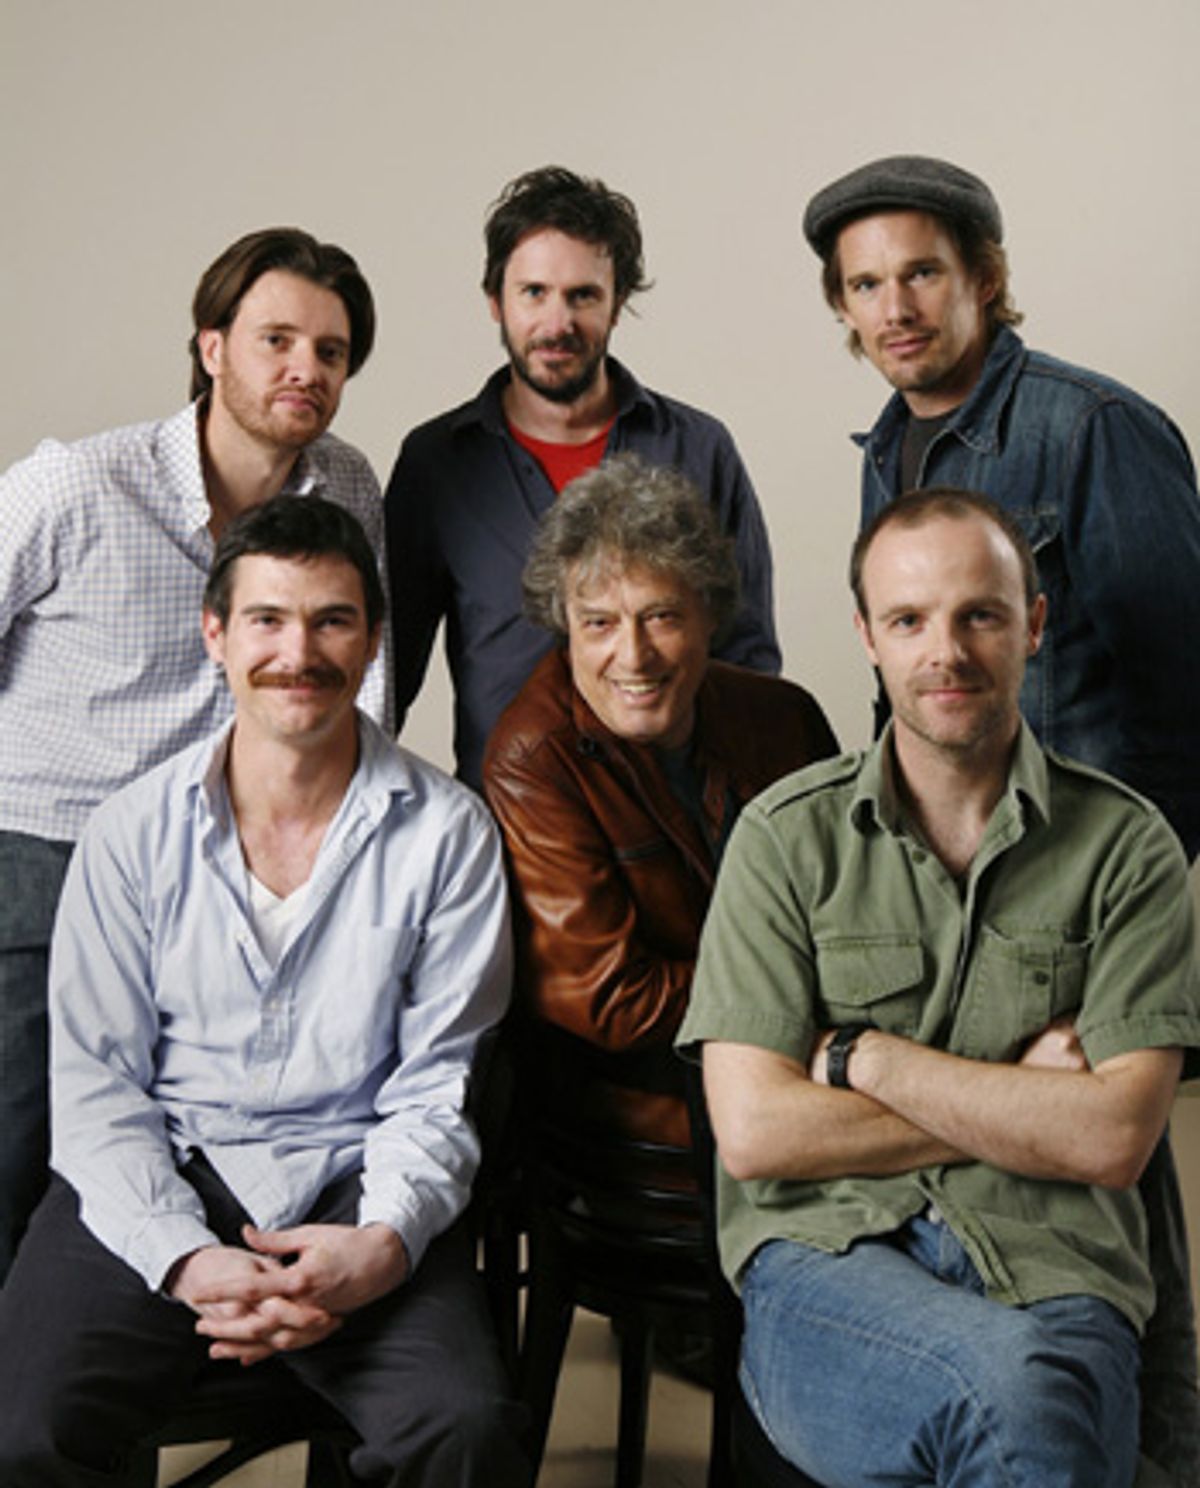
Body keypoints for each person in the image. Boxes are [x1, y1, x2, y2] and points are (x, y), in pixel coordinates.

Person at [802, 154, 1200, 1479]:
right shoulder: (893, 450)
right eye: (865, 284)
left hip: (1080, 896)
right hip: (944, 885)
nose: (896, 304)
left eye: (920, 269)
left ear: (983, 276)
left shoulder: (1090, 430)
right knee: (982, 1184)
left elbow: (1184, 699)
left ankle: (1148, 1456)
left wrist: (1143, 934)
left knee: (1109, 1190)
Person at [0, 496, 529, 1487]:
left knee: (464, 1428)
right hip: (165, 1168)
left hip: (356, 1179)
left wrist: (382, 1245)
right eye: (268, 620)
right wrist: (185, 1259)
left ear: (373, 639)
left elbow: (439, 1084)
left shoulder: (449, 835)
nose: (301, 650)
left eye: (333, 620)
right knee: (17, 1431)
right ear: (216, 634)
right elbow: (98, 1091)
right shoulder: (128, 834)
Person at [679, 489, 1200, 1488]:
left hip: (1061, 1270)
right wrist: (1019, 1093)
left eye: (981, 615)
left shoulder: (1128, 847)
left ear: (1033, 626)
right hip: (828, 1269)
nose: (945, 651)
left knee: (1033, 1396)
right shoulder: (785, 840)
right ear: (868, 636)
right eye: (910, 619)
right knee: (1028, 1398)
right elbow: (756, 1132)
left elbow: (1113, 1137)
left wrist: (859, 1058)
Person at [0, 226, 388, 1284]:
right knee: (18, 1163)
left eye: (334, 351)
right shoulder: (76, 485)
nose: (306, 369)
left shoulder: (345, 488)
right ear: (211, 345)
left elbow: (365, 686)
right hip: (46, 857)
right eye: (277, 340)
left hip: (211, 874)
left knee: (150, 1179)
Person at [385, 165, 780, 791]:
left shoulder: (698, 448)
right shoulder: (436, 464)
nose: (557, 322)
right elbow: (388, 678)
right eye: (533, 292)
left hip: (682, 831)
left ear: (617, 303)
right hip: (507, 836)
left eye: (582, 296)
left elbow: (750, 664)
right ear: (496, 300)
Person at [484, 454, 835, 1153]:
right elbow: (611, 999)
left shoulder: (785, 718)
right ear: (566, 628)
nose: (634, 655)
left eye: (661, 616)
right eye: (599, 623)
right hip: (648, 1099)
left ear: (709, 615)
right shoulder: (534, 758)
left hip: (812, 1067)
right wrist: (808, 1019)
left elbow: (862, 912)